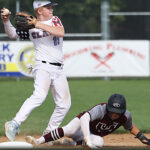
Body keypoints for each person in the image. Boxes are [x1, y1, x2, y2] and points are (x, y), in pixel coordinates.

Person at [1, 1, 71, 141]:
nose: (51, 9)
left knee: (64, 104)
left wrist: (36, 24)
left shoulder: (54, 20)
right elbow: (13, 34)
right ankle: (14, 123)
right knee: (39, 95)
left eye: (51, 7)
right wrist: (6, 21)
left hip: (58, 69)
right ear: (39, 10)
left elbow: (61, 32)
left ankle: (48, 134)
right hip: (42, 66)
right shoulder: (30, 27)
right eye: (48, 7)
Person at [25, 94, 150, 148]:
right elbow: (85, 117)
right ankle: (38, 141)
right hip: (80, 127)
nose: (114, 114)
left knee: (99, 142)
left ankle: (69, 145)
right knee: (70, 129)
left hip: (90, 135)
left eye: (117, 112)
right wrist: (87, 138)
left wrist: (141, 137)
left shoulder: (126, 116)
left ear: (122, 111)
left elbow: (130, 127)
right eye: (111, 111)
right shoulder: (101, 109)